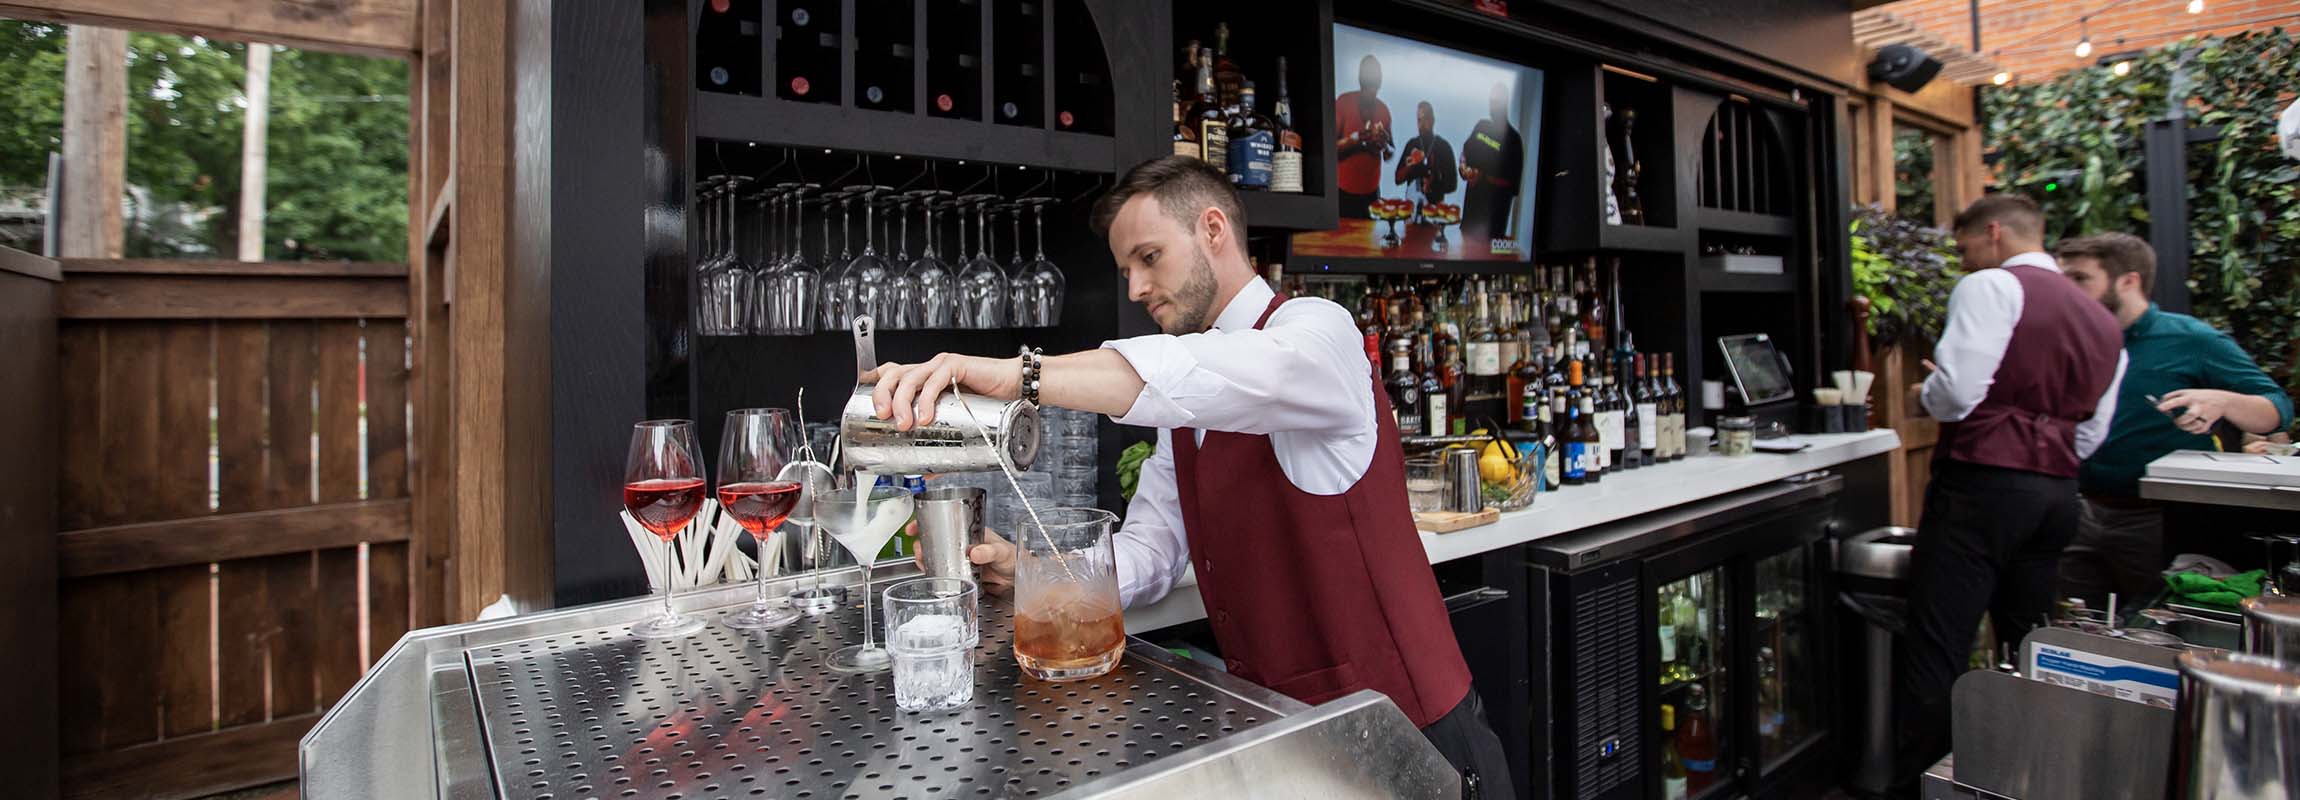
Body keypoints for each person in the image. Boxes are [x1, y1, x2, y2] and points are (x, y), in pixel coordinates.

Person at [865, 156, 1515, 796]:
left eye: (1149, 258)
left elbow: (1218, 372)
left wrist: (1021, 376)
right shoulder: (1183, 413)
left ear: (1212, 230)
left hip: (1412, 739)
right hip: (1294, 742)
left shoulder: (1318, 334)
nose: (1136, 290)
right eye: (1125, 271)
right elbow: (1148, 555)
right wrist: (1032, 570)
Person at [1892, 194, 2127, 792]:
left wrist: (1930, 395)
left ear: (1993, 233)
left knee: (1939, 646)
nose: (1964, 261)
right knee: (2029, 647)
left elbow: (1961, 392)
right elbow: (2090, 433)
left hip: (1983, 486)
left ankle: (1923, 786)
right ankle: (2023, 779)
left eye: (1964, 246)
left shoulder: (1992, 287)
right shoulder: (2104, 321)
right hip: (2056, 496)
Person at [2054, 232, 2293, 606]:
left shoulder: (2190, 339)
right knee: (2074, 631)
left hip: (2156, 521)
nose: (2067, 291)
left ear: (2128, 281)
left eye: (2080, 279)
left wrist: (2223, 400)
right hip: (2077, 511)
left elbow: (2277, 408)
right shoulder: (2070, 341)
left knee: (2158, 629)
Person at [1458, 82, 1524, 249]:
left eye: (1497, 101)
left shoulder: (1514, 140)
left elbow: (1511, 184)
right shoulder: (1481, 126)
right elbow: (1464, 153)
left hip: (1492, 231)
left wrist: (1484, 176)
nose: (1492, 105)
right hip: (1468, 224)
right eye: (1491, 101)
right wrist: (1463, 168)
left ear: (1505, 104)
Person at [1334, 55, 1393, 220]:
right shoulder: (1343, 102)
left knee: (1368, 244)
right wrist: (1356, 139)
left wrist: (1385, 144)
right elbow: (1329, 149)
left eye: (1376, 89)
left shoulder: (1383, 110)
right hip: (1342, 194)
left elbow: (1390, 152)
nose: (1372, 94)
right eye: (1368, 88)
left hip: (1372, 194)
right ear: (1361, 82)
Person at [1394, 101, 1458, 215]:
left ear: (1433, 120)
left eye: (1426, 119)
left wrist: (1435, 183)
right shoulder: (1411, 144)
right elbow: (1398, 179)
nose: (1422, 125)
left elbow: (1453, 185)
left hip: (1435, 211)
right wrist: (1411, 166)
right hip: (1411, 211)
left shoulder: (1444, 147)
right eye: (1419, 120)